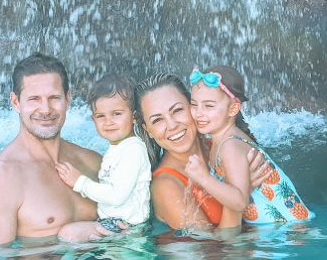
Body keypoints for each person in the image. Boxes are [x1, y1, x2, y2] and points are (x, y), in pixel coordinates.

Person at [0, 53, 117, 245]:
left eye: (54, 97)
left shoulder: (93, 161)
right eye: (34, 99)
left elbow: (133, 222)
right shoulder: (0, 179)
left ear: (68, 99)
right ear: (16, 102)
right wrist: (67, 241)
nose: (46, 109)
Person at [134, 73, 269, 232]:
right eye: (157, 120)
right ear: (147, 129)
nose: (171, 125)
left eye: (177, 110)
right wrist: (240, 195)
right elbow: (213, 250)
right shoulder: (166, 186)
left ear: (193, 107)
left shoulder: (222, 145)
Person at [186, 65, 314, 227]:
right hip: (280, 233)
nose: (198, 113)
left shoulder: (230, 146)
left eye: (209, 106)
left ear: (233, 109)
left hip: (291, 232)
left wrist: (204, 178)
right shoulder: (222, 140)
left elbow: (239, 202)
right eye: (194, 104)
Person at [54, 73, 151, 230]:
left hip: (128, 228)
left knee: (68, 234)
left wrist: (79, 182)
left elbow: (117, 196)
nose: (108, 122)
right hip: (116, 224)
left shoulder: (133, 150)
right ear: (93, 120)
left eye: (116, 114)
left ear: (135, 116)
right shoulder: (118, 148)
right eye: (101, 116)